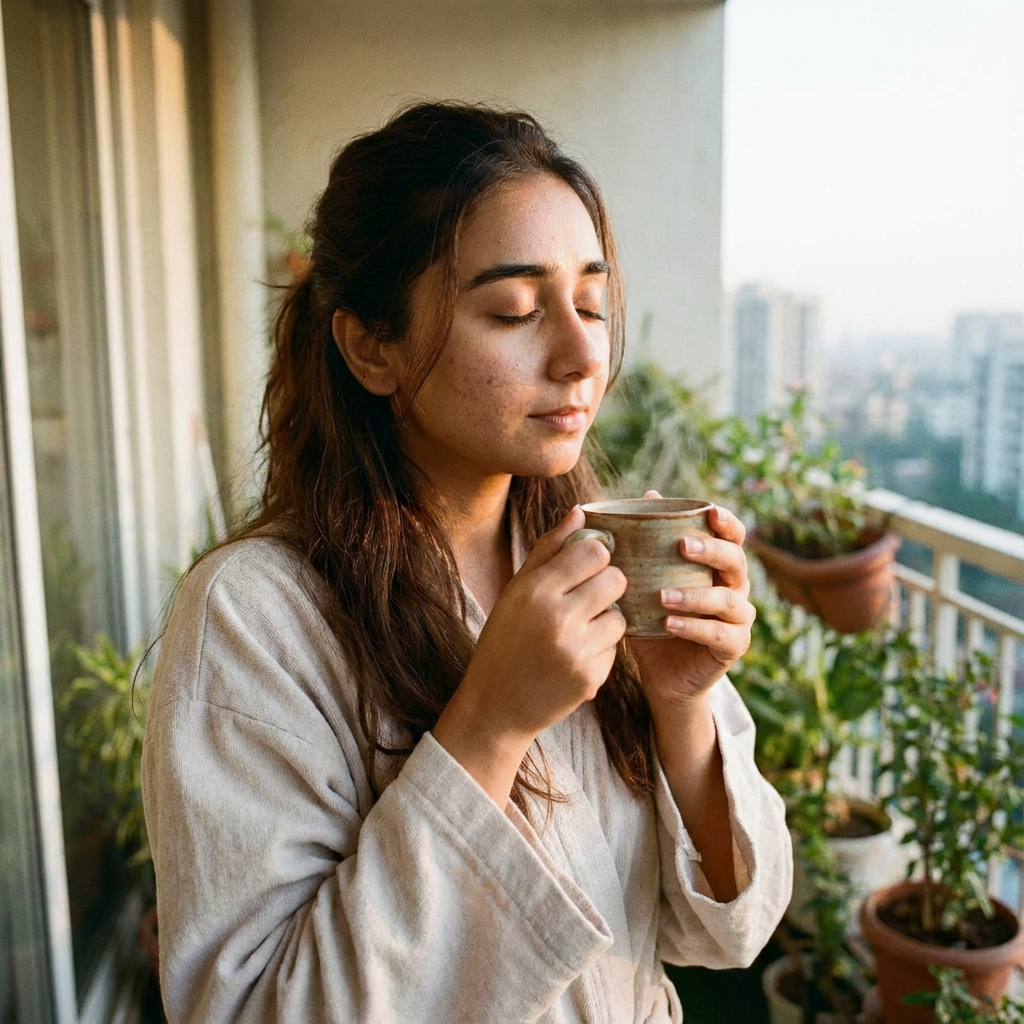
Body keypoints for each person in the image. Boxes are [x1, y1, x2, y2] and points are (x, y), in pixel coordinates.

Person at [142, 102, 792, 1023]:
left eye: (593, 302)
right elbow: (251, 1011)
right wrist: (486, 729)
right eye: (516, 311)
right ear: (372, 347)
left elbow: (724, 936)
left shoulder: (590, 556)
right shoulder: (255, 619)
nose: (582, 356)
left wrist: (683, 707)